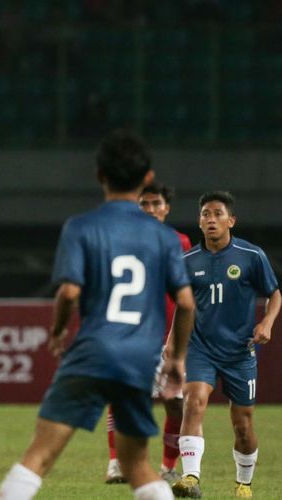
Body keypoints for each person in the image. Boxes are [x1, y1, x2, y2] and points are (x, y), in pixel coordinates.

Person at [0, 129, 195, 500]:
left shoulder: (82, 227)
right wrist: (178, 358)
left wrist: (57, 331)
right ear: (147, 178)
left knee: (38, 457)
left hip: (94, 352)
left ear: (99, 175)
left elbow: (69, 292)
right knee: (139, 466)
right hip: (140, 359)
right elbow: (186, 303)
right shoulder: (166, 239)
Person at [172, 191, 280, 499]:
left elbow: (275, 294)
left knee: (243, 425)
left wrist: (266, 323)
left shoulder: (251, 255)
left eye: (217, 213)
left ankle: (243, 482)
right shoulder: (187, 261)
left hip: (239, 353)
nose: (211, 219)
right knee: (193, 402)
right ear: (199, 221)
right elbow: (184, 307)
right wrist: (173, 346)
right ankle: (190, 478)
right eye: (205, 214)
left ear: (231, 220)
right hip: (201, 348)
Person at [105, 181, 192, 485]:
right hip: (129, 334)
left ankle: (168, 466)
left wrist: (177, 339)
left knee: (176, 402)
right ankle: (115, 463)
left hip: (168, 335)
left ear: (167, 208)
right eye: (145, 204)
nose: (152, 209)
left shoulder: (181, 243)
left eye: (157, 204)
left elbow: (185, 295)